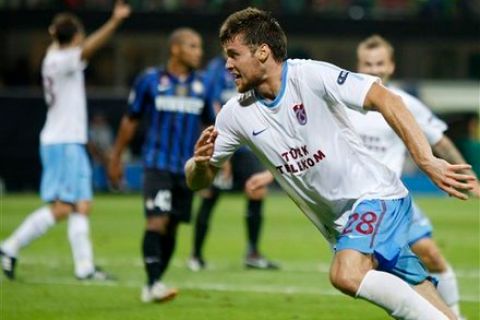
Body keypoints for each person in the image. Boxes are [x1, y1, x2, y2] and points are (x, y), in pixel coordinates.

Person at [185, 7, 475, 319]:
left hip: (376, 197)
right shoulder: (234, 114)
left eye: (234, 54)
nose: (227, 65)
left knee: (346, 275)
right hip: (340, 225)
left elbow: (387, 99)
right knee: (427, 299)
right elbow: (198, 180)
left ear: (263, 53)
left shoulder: (309, 76)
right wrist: (200, 164)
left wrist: (426, 160)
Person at [347, 34, 479, 319]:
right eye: (367, 64)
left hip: (394, 198)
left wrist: (469, 179)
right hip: (357, 203)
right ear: (358, 65)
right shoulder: (343, 103)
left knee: (430, 254)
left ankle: (454, 314)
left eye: (379, 63)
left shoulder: (404, 103)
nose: (373, 69)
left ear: (391, 66)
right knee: (371, 271)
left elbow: (440, 142)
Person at [0, 1, 130, 281]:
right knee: (63, 206)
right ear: (75, 37)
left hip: (68, 140)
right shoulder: (61, 59)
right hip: (62, 142)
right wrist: (115, 21)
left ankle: (84, 268)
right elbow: (87, 49)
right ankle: (9, 246)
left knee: (82, 204)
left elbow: (71, 43)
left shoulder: (53, 54)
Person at [108, 27, 214, 303]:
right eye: (192, 46)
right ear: (175, 49)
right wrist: (116, 157)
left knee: (173, 226)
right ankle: (154, 282)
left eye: (199, 46)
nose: (198, 52)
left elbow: (210, 126)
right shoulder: (150, 81)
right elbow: (130, 120)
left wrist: (215, 161)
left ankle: (153, 282)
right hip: (156, 164)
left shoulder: (202, 86)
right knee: (156, 220)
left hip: (186, 169)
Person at [188, 55, 278, 272]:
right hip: (223, 137)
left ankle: (252, 252)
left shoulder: (254, 67)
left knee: (256, 190)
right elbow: (210, 104)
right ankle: (196, 255)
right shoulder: (216, 70)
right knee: (209, 193)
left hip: (247, 143)